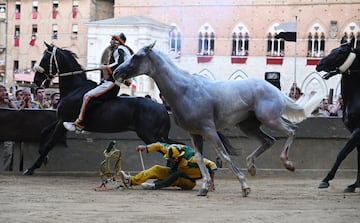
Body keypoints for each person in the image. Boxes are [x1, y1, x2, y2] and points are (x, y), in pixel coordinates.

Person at [63, 33, 133, 132]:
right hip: (110, 83)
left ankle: (79, 124)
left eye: (112, 39)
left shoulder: (119, 50)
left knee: (87, 96)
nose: (110, 41)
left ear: (117, 41)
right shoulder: (118, 51)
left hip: (112, 84)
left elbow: (119, 65)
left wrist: (105, 67)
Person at [120, 142, 217, 191]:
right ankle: (131, 181)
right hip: (175, 171)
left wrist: (211, 182)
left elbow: (212, 165)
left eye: (171, 159)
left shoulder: (192, 159)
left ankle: (155, 185)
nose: (170, 160)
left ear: (177, 157)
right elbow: (159, 145)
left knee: (178, 175)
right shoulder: (170, 149)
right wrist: (146, 147)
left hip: (189, 181)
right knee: (156, 168)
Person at [0, 85, 18, 171]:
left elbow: (16, 111)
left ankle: (5, 171)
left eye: (4, 91)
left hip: (7, 132)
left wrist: (9, 100)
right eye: (1, 91)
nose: (4, 93)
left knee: (8, 152)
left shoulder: (8, 103)